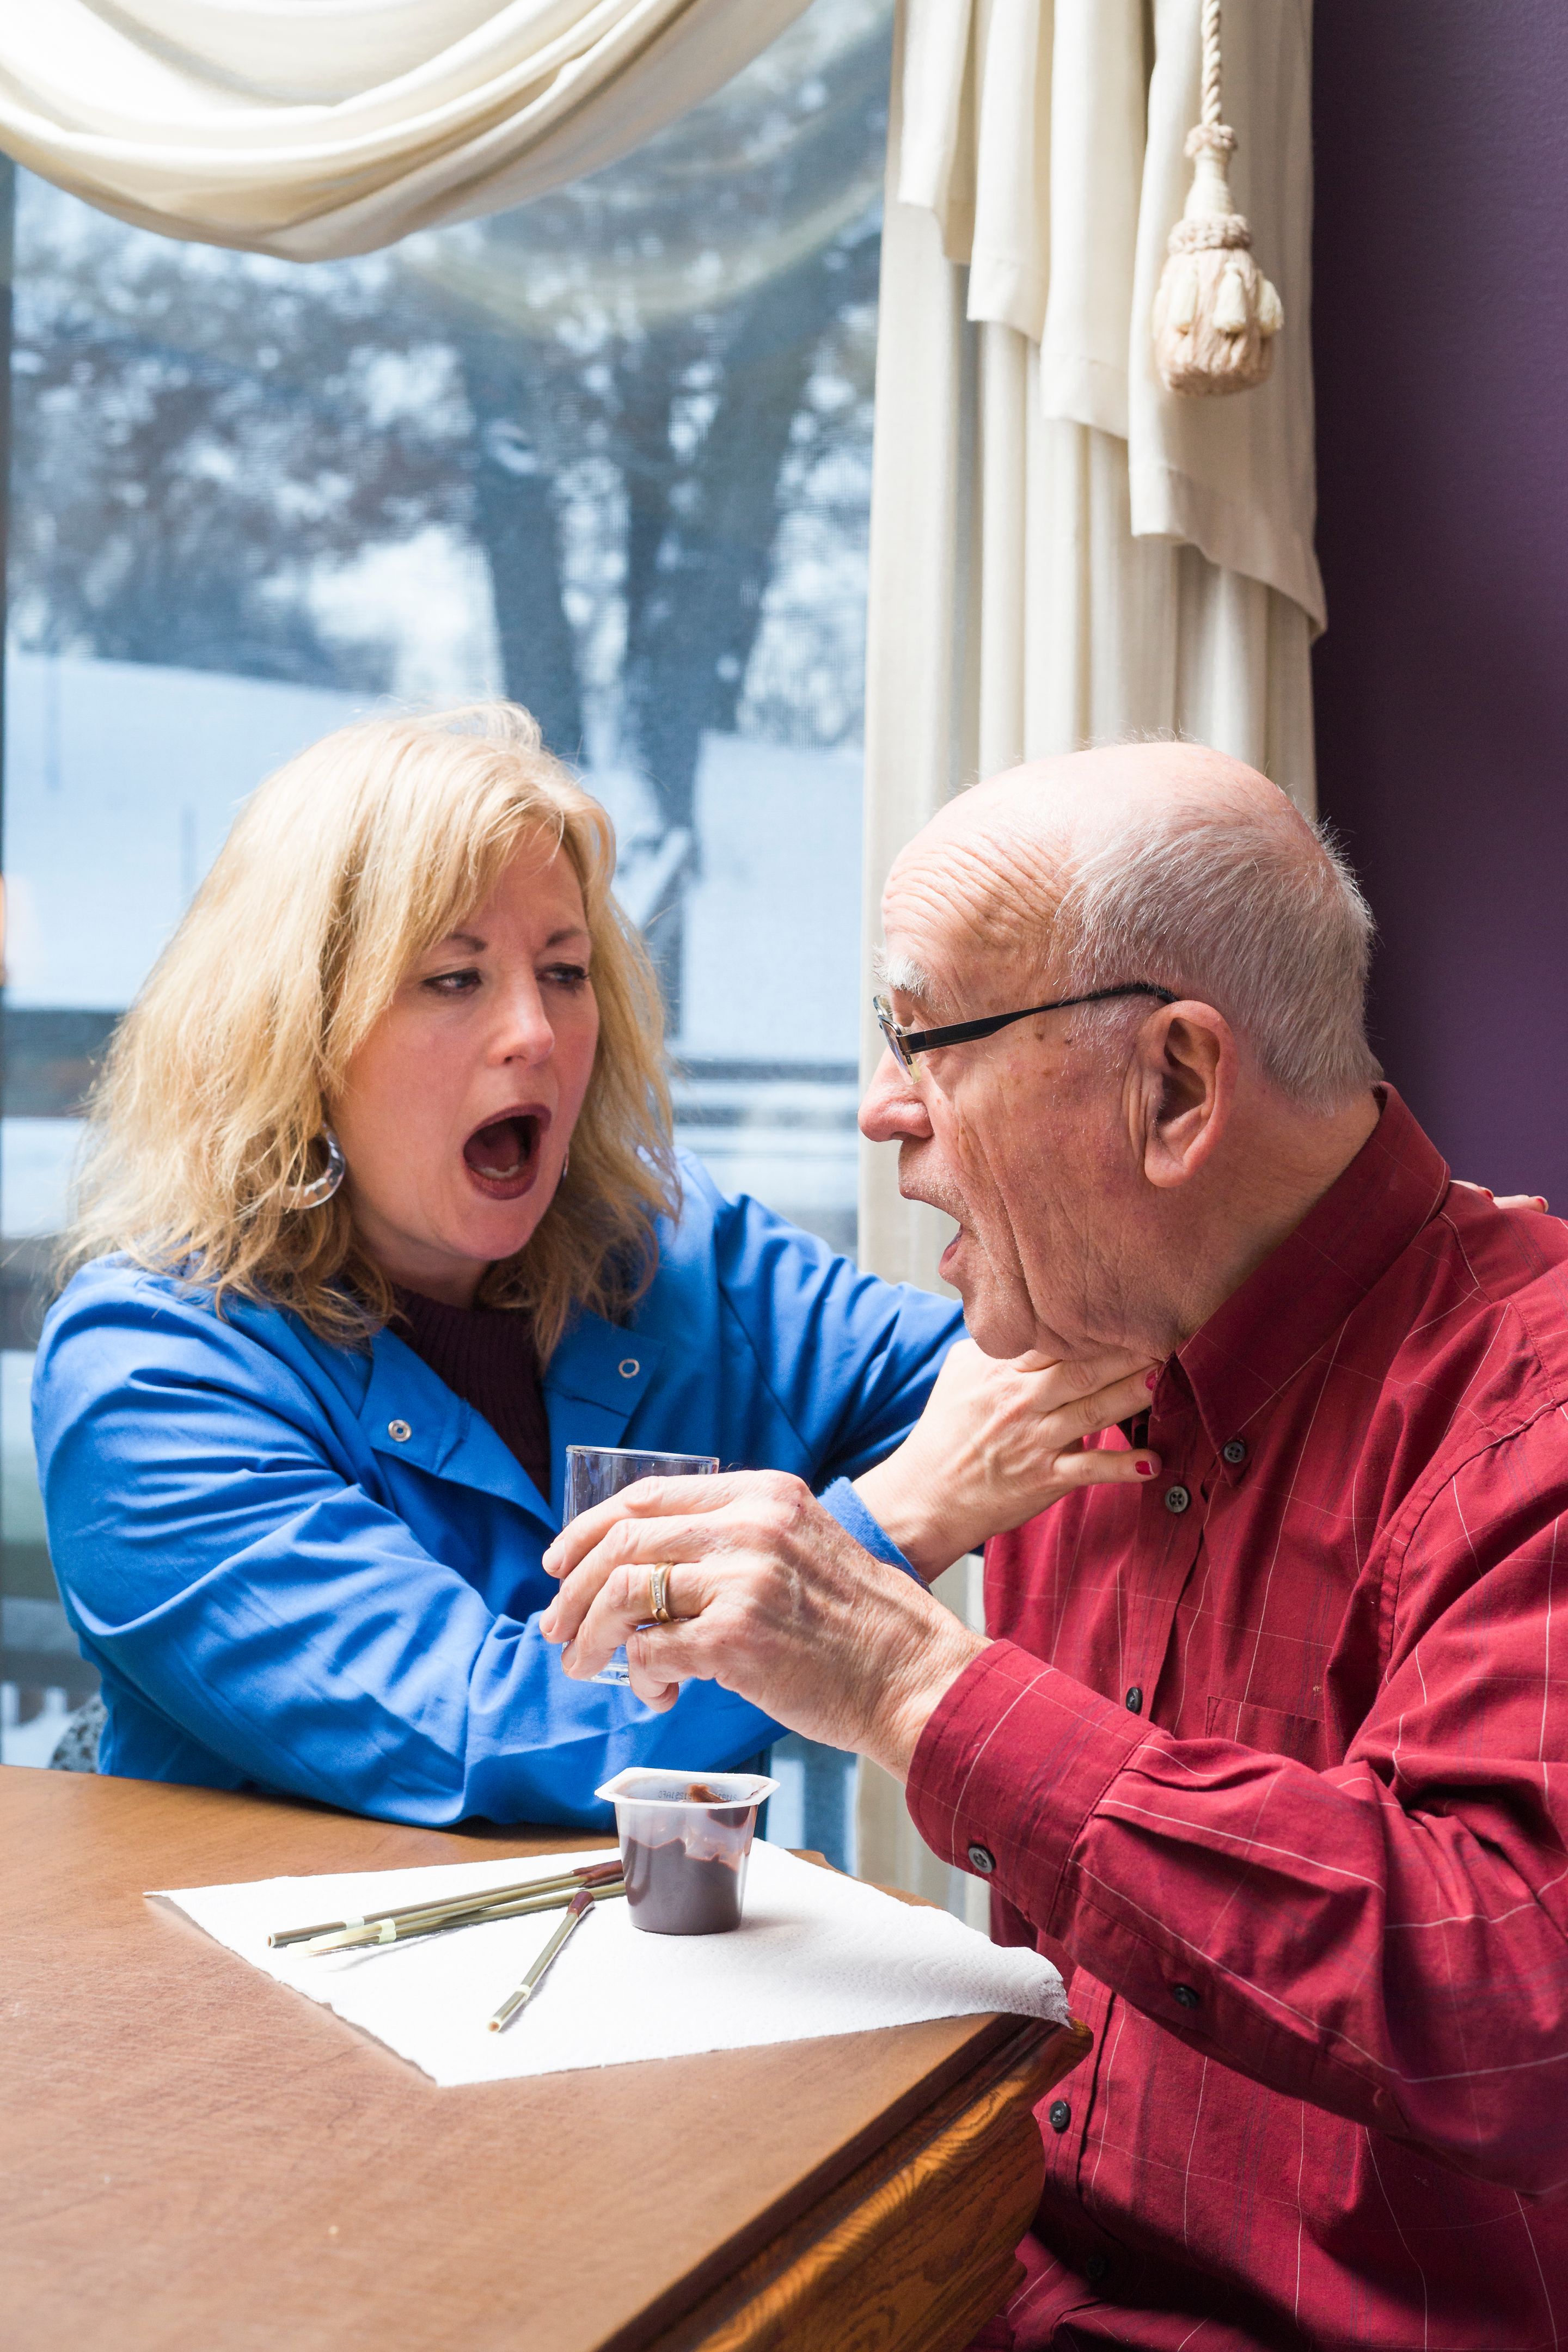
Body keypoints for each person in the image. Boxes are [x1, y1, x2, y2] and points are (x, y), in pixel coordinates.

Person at [543, 742, 1568, 2348]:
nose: (883, 1111)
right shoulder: (1071, 1367)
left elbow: (1510, 2001)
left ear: (1173, 1087)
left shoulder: (1532, 1407)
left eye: (924, 1037)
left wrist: (906, 1680)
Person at [29, 702, 1156, 1828]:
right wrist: (895, 1521)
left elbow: (1010, 1383)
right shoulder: (149, 1373)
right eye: (453, 979)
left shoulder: (670, 1249)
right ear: (297, 1035)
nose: (536, 1032)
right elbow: (485, 1737)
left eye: (565, 973)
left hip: (673, 1977)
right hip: (275, 1992)